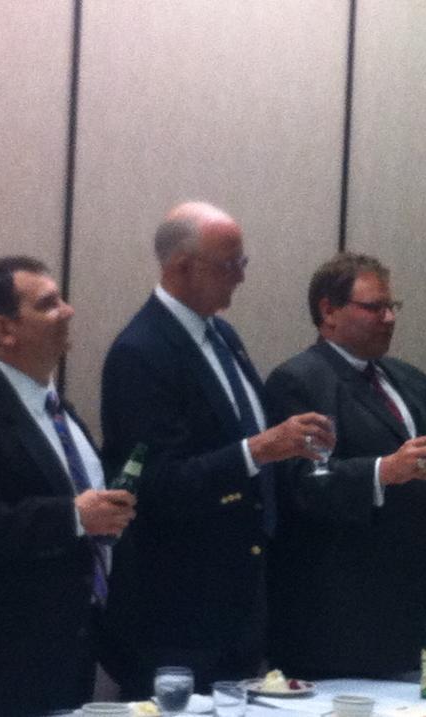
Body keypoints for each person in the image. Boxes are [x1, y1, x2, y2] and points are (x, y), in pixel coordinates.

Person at [100, 202, 332, 695]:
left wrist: (287, 444)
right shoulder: (139, 352)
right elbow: (155, 484)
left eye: (242, 263)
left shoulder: (222, 335)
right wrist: (257, 450)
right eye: (229, 265)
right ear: (181, 267)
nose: (241, 278)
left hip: (240, 604)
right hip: (175, 612)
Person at [0, 256, 137, 717]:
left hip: (79, 638)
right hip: (12, 648)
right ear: (4, 329)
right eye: (48, 304)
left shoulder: (59, 409)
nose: (68, 311)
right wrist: (74, 516)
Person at [266, 252, 426, 678]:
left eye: (392, 306)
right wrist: (383, 471)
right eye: (374, 307)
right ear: (328, 311)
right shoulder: (298, 381)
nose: (389, 318)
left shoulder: (409, 379)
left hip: (411, 599)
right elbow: (300, 486)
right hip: (338, 608)